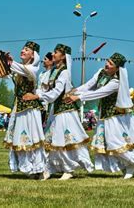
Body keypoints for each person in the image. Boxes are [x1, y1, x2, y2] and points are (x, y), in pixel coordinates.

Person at [65, 52, 134, 179]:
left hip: (115, 116)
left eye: (111, 63)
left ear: (117, 68)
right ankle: (125, 165)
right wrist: (74, 91)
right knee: (107, 143)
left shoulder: (116, 82)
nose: (107, 64)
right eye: (107, 61)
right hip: (104, 115)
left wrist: (78, 97)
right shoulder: (101, 73)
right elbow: (89, 85)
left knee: (115, 141)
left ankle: (133, 163)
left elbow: (100, 93)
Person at [23, 43, 93, 180]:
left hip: (66, 112)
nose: (53, 54)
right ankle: (49, 168)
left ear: (63, 57)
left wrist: (37, 96)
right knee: (50, 140)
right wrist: (34, 93)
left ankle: (69, 168)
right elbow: (47, 90)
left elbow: (56, 92)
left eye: (56, 52)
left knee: (64, 140)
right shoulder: (54, 71)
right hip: (55, 111)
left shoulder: (65, 72)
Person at [4, 41, 47, 178]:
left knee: (32, 137)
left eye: (26, 50)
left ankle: (39, 168)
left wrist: (10, 62)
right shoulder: (19, 69)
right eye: (22, 49)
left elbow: (20, 69)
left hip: (30, 109)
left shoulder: (33, 69)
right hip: (19, 108)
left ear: (33, 56)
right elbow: (7, 71)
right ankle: (27, 168)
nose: (22, 51)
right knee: (19, 138)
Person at [38, 52, 54, 125]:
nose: (43, 61)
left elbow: (49, 88)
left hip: (46, 101)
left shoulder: (52, 73)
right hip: (38, 99)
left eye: (45, 59)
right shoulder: (41, 73)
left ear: (51, 61)